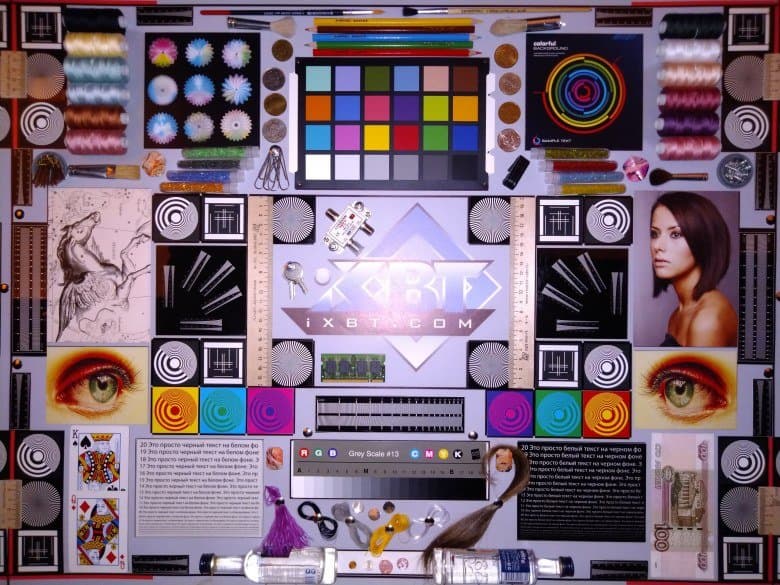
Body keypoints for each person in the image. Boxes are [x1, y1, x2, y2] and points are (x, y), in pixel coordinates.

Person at [650, 191, 737, 347]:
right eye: (654, 234)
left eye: (675, 234)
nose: (657, 246)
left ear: (703, 240)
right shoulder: (679, 313)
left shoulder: (707, 320)